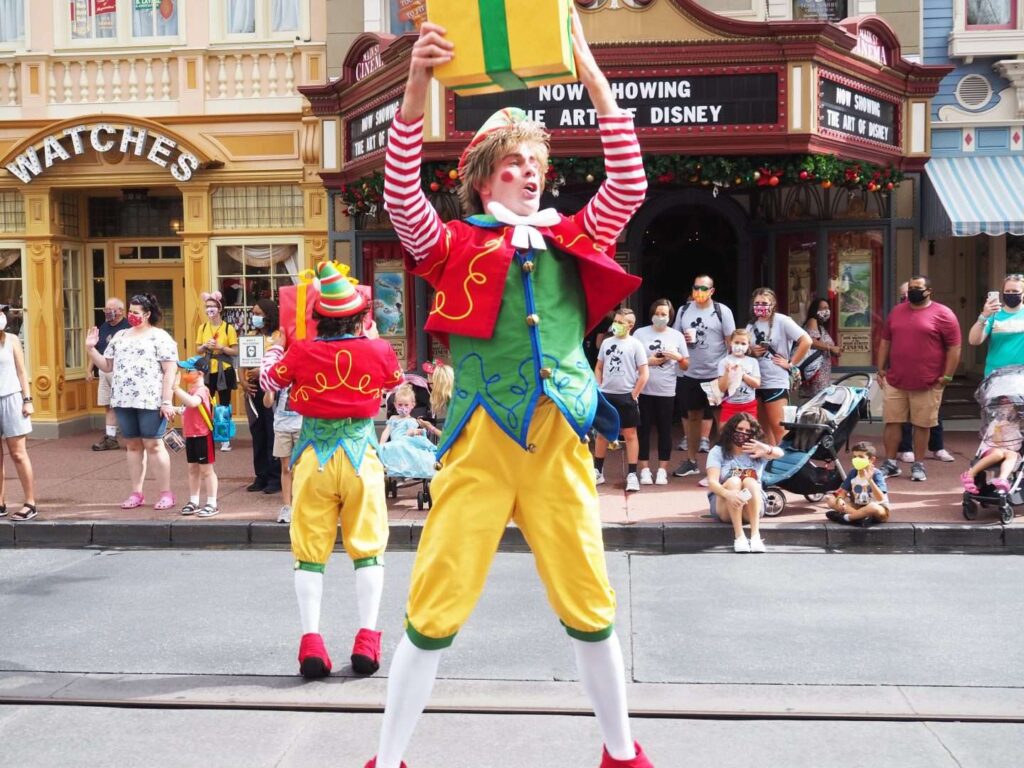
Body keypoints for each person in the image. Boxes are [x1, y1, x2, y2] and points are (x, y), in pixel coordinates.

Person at [375, 12, 653, 768]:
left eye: (537, 163)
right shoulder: (454, 243)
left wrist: (593, 79)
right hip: (480, 441)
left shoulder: (573, 235)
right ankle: (388, 756)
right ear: (482, 175)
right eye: (513, 165)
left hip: (559, 436)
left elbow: (628, 182)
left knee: (590, 599)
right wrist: (417, 81)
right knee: (435, 603)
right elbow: (402, 198)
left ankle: (621, 752)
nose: (531, 174)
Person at [259, 261, 402, 682]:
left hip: (313, 457)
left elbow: (269, 381)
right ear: (360, 316)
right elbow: (393, 383)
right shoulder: (378, 349)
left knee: (309, 552)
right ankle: (366, 640)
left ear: (319, 317)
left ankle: (312, 643)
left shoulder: (301, 350)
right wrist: (373, 340)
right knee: (369, 549)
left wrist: (275, 346)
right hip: (361, 456)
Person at [86, 293, 178, 510]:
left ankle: (166, 493)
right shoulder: (120, 336)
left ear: (147, 314)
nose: (132, 316)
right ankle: (137, 492)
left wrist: (166, 401)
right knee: (133, 446)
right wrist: (90, 348)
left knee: (154, 444)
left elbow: (169, 370)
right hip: (123, 399)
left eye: (136, 312)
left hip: (150, 400)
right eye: (130, 311)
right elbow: (106, 366)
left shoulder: (160, 337)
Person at [876, 275, 961, 482]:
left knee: (922, 425)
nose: (912, 291)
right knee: (892, 422)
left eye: (917, 288)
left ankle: (918, 465)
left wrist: (948, 375)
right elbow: (886, 341)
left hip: (928, 381)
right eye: (910, 288)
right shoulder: (897, 312)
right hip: (896, 379)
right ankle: (891, 463)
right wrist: (880, 369)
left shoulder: (943, 313)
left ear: (929, 290)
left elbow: (954, 347)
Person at [672, 274, 736, 478]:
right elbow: (674, 338)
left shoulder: (721, 311)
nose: (699, 291)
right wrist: (682, 339)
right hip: (690, 372)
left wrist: (729, 371)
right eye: (696, 287)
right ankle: (691, 460)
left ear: (712, 291)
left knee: (721, 417)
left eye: (703, 288)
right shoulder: (683, 310)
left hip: (715, 373)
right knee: (692, 417)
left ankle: (727, 461)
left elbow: (731, 341)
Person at [893, 282, 954, 463]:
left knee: (932, 413)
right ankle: (905, 449)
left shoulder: (938, 313)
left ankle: (938, 447)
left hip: (930, 372)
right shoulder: (897, 313)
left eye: (910, 293)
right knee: (903, 414)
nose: (908, 297)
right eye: (904, 294)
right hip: (902, 373)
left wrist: (946, 373)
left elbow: (950, 344)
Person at [705, 412, 783, 553]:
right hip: (725, 503)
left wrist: (766, 449)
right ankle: (739, 537)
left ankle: (755, 536)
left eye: (748, 431)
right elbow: (712, 482)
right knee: (734, 481)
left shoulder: (757, 451)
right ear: (731, 429)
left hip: (751, 506)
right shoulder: (718, 451)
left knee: (750, 482)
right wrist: (728, 494)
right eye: (739, 429)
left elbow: (780, 453)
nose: (743, 434)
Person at [633, 299, 688, 485]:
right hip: (644, 388)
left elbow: (686, 365)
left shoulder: (677, 336)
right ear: (652, 314)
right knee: (643, 429)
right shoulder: (640, 333)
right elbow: (631, 359)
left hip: (667, 389)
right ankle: (645, 469)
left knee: (665, 430)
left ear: (670, 316)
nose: (660, 317)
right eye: (657, 313)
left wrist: (678, 357)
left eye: (664, 314)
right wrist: (649, 361)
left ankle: (662, 470)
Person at [747, 287, 811, 445]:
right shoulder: (751, 325)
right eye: (757, 303)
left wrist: (791, 363)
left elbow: (806, 341)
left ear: (773, 304)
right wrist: (751, 351)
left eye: (764, 303)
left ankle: (785, 464)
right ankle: (769, 461)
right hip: (756, 381)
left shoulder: (782, 321)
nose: (760, 306)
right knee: (761, 428)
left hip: (775, 380)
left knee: (779, 426)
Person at [594, 308, 649, 492]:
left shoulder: (636, 345)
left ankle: (632, 473)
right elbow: (599, 367)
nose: (616, 324)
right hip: (606, 393)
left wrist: (634, 395)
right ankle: (598, 470)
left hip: (626, 395)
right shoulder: (607, 342)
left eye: (620, 322)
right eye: (615, 320)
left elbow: (644, 373)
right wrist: (599, 387)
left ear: (630, 325)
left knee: (630, 434)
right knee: (602, 433)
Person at [0, 304, 37, 521]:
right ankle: (1, 502)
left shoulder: (11, 340)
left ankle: (30, 502)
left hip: (11, 398)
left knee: (18, 453)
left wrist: (27, 400)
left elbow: (22, 371)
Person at [241, 298, 282, 494]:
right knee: (257, 432)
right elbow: (241, 362)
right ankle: (261, 475)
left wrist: (263, 370)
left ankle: (275, 477)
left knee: (272, 432)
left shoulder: (278, 336)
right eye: (253, 313)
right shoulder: (250, 335)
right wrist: (243, 382)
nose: (255, 317)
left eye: (258, 314)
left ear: (269, 314)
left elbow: (282, 362)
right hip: (253, 388)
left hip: (271, 387)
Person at [173, 356, 219, 518]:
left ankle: (212, 503)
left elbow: (193, 403)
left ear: (199, 373)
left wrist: (176, 389)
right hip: (190, 434)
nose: (186, 374)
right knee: (192, 468)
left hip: (203, 434)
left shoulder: (202, 391)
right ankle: (194, 500)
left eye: (189, 371)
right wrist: (172, 409)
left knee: (207, 470)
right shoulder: (192, 390)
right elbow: (186, 408)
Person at [196, 290, 238, 451]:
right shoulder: (203, 327)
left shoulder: (228, 329)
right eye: (207, 306)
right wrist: (205, 346)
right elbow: (198, 349)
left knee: (224, 404)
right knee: (205, 403)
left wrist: (222, 347)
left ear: (220, 308)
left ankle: (224, 438)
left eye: (213, 306)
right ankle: (206, 435)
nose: (209, 309)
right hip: (207, 370)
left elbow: (235, 351)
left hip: (224, 370)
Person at [88, 297, 131, 451]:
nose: (107, 312)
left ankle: (134, 437)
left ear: (120, 311)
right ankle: (111, 438)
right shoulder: (103, 327)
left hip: (120, 371)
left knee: (124, 405)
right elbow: (97, 349)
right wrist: (89, 369)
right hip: (103, 369)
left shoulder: (128, 327)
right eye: (106, 309)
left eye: (111, 309)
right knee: (108, 405)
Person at [961, 397, 1022, 495]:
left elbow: (1017, 443)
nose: (1006, 408)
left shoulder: (1018, 424)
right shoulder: (996, 423)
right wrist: (999, 428)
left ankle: (1002, 479)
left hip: (1010, 450)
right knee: (999, 453)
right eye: (1003, 404)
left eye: (1009, 404)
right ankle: (970, 474)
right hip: (994, 448)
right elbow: (996, 442)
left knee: (1013, 455)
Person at [378, 383, 438, 480]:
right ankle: (399, 472)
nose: (403, 407)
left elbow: (415, 432)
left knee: (404, 447)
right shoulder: (393, 418)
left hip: (407, 442)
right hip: (396, 443)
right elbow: (386, 431)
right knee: (390, 448)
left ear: (412, 405)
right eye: (400, 405)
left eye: (406, 405)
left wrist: (414, 432)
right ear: (395, 405)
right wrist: (381, 443)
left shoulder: (412, 420)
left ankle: (408, 471)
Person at [969, 273, 1024, 378]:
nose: (1011, 294)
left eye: (1015, 291)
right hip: (996, 376)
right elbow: (974, 340)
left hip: (1021, 378)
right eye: (1007, 291)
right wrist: (984, 316)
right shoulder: (994, 315)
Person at [824, 441, 890, 526]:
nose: (857, 459)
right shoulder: (853, 473)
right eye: (855, 457)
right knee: (831, 500)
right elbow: (843, 492)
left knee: (872, 506)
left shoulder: (876, 473)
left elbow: (880, 498)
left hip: (878, 509)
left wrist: (870, 480)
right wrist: (839, 499)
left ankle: (846, 518)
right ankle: (860, 518)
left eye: (861, 457)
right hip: (858, 506)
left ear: (871, 460)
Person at [265, 383, 302, 524]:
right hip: (282, 426)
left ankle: (300, 504)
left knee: (302, 467)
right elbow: (267, 404)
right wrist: (269, 390)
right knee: (286, 467)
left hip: (301, 425)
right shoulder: (279, 377)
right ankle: (287, 506)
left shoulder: (302, 372)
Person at [799, 296, 840, 399]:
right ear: (815, 310)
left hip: (822, 372)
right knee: (817, 402)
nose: (826, 311)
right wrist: (830, 348)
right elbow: (811, 341)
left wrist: (834, 351)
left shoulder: (821, 327)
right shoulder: (812, 321)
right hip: (816, 373)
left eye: (827, 308)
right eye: (822, 308)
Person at [716, 329, 760, 422]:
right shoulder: (723, 362)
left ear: (748, 345)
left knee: (749, 433)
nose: (739, 346)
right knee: (725, 434)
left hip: (749, 406)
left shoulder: (753, 362)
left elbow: (757, 384)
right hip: (730, 406)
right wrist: (727, 373)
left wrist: (742, 374)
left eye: (743, 344)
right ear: (730, 343)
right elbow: (721, 388)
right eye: (736, 342)